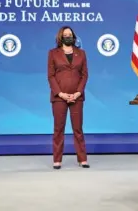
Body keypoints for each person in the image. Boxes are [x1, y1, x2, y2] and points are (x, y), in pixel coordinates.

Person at [47, 26, 89, 169]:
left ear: (74, 37)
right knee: (59, 128)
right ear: (60, 37)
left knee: (78, 129)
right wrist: (61, 94)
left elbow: (84, 75)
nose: (68, 36)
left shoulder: (81, 53)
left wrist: (77, 93)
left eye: (70, 34)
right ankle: (57, 160)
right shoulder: (53, 53)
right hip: (59, 97)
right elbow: (51, 76)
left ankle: (82, 159)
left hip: (77, 97)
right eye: (65, 35)